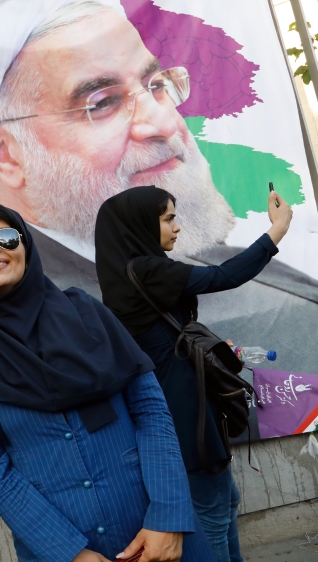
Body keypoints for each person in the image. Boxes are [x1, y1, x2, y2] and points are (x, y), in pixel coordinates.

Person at [0, 1, 318, 373]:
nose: (164, 124)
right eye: (102, 102)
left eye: (156, 84)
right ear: (5, 155)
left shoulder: (281, 290)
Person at [0, 201, 215, 562]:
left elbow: (150, 411)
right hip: (61, 549)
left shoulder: (88, 314)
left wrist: (168, 517)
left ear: (27, 247)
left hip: (160, 535)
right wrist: (69, 553)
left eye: (5, 237)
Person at [94, 186, 294, 562]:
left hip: (176, 406)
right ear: (139, 224)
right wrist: (277, 231)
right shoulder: (147, 269)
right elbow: (222, 276)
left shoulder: (126, 271)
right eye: (168, 218)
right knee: (213, 512)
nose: (177, 227)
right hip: (185, 415)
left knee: (222, 501)